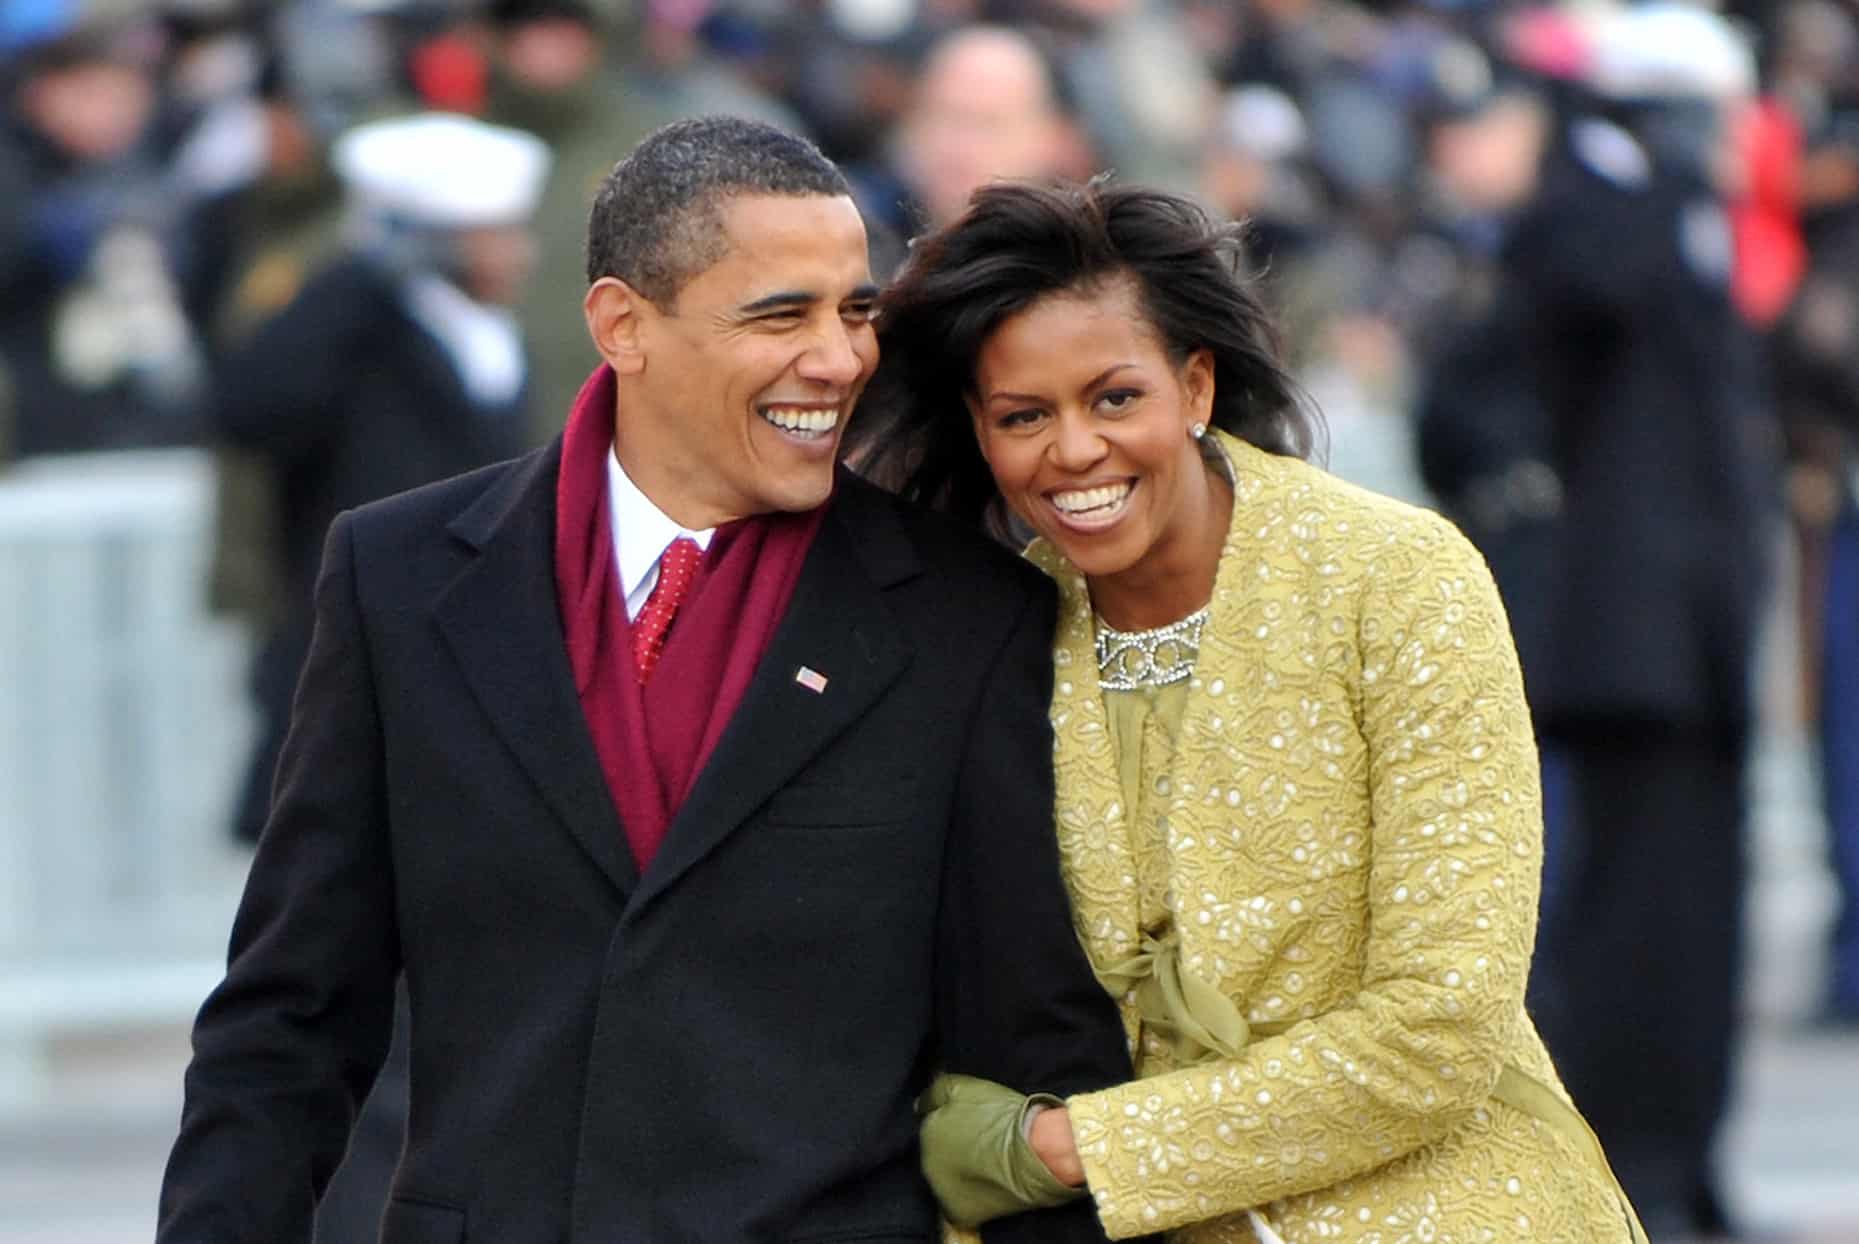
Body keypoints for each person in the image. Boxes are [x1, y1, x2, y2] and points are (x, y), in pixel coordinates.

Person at [157, 116, 1130, 1243]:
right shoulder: (399, 578)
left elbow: (1030, 1056)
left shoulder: (967, 616)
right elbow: (289, 1018)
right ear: (622, 324)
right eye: (781, 314)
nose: (838, 358)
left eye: (854, 310)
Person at [848, 178, 1646, 1244]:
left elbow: (1440, 1027)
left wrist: (1068, 1149)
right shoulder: (991, 632)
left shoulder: (1399, 578)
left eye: (1113, 397)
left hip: (1455, 1205)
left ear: (1194, 385)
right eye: (1023, 416)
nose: (1073, 449)